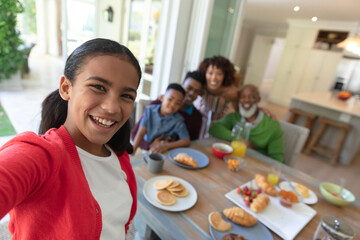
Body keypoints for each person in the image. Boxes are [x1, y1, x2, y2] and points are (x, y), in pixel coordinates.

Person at [0, 39, 141, 239]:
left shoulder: (119, 157)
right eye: (98, 87)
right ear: (66, 88)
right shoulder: (41, 157)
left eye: (126, 95)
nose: (112, 108)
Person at [209, 84, 285, 163]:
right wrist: (238, 139)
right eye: (243, 97)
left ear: (258, 100)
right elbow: (214, 128)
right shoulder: (235, 117)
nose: (246, 100)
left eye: (252, 97)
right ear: (238, 100)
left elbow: (277, 161)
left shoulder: (272, 125)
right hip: (234, 162)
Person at [131, 70, 205, 148]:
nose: (192, 93)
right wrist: (151, 145)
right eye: (189, 88)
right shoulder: (155, 105)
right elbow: (135, 134)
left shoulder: (196, 117)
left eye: (197, 91)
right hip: (149, 150)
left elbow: (191, 144)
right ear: (182, 85)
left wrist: (167, 145)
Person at [132, 83, 191, 154]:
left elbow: (186, 140)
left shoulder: (178, 120)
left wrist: (166, 146)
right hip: (144, 147)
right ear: (162, 97)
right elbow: (141, 132)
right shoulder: (149, 111)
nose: (173, 104)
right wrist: (133, 151)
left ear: (180, 106)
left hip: (163, 151)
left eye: (177, 103)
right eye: (170, 99)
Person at [194, 56, 240, 138]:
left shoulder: (231, 92)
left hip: (218, 132)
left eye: (219, 74)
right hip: (197, 129)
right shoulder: (200, 87)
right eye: (210, 73)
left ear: (225, 75)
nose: (213, 78)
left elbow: (241, 112)